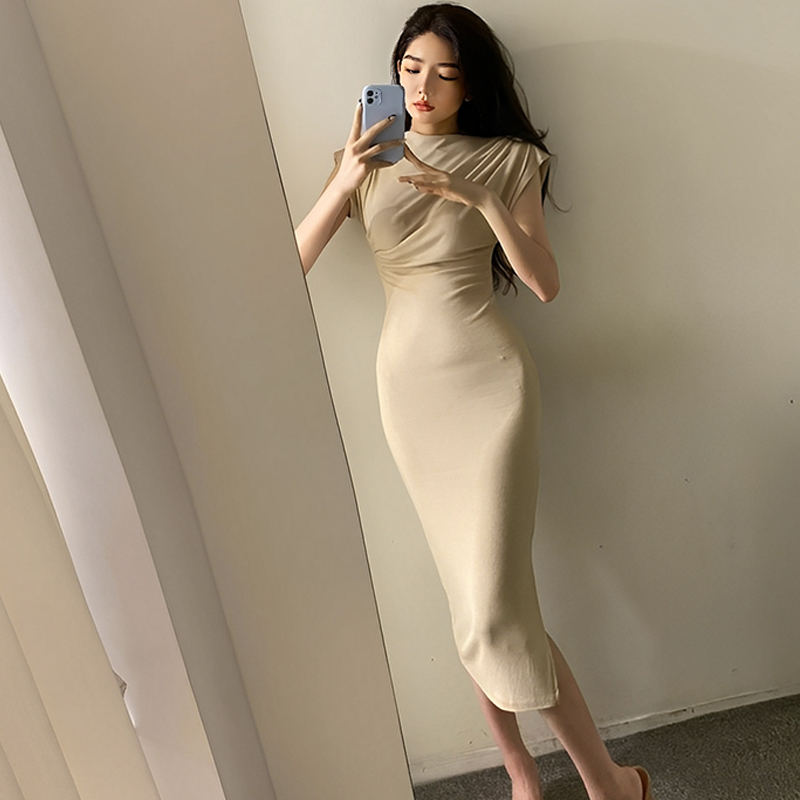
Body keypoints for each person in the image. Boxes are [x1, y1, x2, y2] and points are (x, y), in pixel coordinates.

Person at [294, 4, 655, 800]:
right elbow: (289, 265)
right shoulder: (363, 157)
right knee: (471, 602)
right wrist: (346, 179)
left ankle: (607, 784)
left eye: (446, 73)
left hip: (491, 387)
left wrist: (480, 198)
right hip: (409, 392)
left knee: (495, 604)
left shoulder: (511, 160)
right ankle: (527, 775)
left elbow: (546, 285)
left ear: (472, 84)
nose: (423, 87)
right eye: (410, 68)